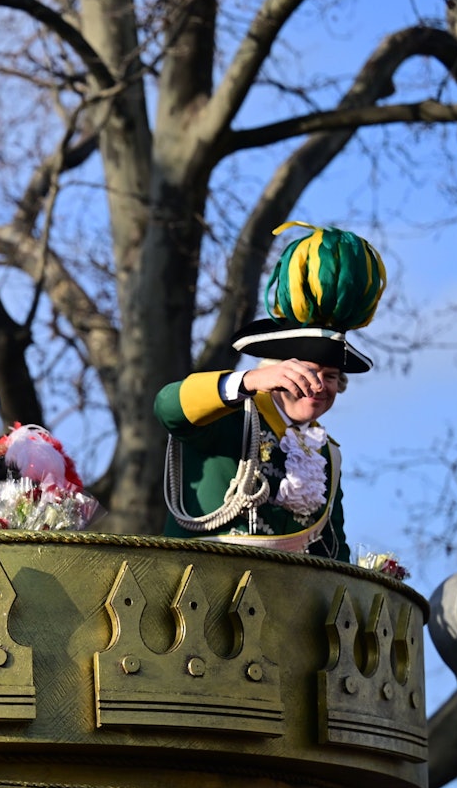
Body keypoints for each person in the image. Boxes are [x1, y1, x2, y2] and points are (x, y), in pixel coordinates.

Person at [156, 223, 388, 562]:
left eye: (332, 376)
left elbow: (333, 551)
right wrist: (248, 381)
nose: (319, 385)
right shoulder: (231, 414)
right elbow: (168, 407)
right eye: (309, 371)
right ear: (279, 370)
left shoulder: (327, 456)